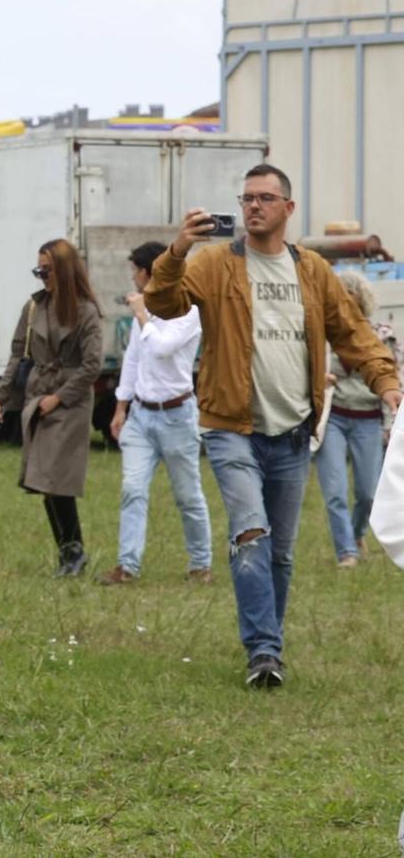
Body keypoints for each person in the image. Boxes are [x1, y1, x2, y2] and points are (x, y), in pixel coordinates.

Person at [145, 164, 401, 688]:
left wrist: (385, 380)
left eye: (265, 198)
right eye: (247, 198)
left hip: (292, 433)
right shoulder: (216, 263)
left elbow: (351, 332)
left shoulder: (312, 271)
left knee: (281, 552)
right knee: (252, 535)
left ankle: (270, 643)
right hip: (230, 427)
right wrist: (176, 252)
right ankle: (263, 651)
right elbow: (162, 304)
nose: (254, 206)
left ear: (289, 208)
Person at [0, 239, 103, 578]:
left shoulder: (86, 310)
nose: (41, 277)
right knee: (44, 479)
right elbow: (17, 354)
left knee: (55, 478)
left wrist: (61, 396)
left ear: (64, 270)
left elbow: (92, 365)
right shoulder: (34, 307)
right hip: (38, 399)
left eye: (47, 270)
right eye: (38, 270)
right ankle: (69, 552)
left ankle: (74, 552)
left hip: (70, 402)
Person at [99, 242, 212, 586]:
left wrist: (142, 315)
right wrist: (121, 407)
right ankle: (127, 566)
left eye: (136, 270)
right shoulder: (141, 312)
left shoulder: (189, 311)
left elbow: (161, 348)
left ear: (151, 273)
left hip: (177, 416)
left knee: (187, 495)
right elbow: (133, 358)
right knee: (132, 489)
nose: (133, 278)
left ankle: (200, 564)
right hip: (141, 417)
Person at [315, 270, 397, 568]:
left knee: (368, 493)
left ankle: (358, 532)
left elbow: (392, 381)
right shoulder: (322, 337)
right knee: (334, 490)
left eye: (352, 299)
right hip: (333, 417)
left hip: (368, 419)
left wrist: (389, 424)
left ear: (363, 302)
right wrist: (318, 378)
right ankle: (346, 552)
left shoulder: (382, 336)